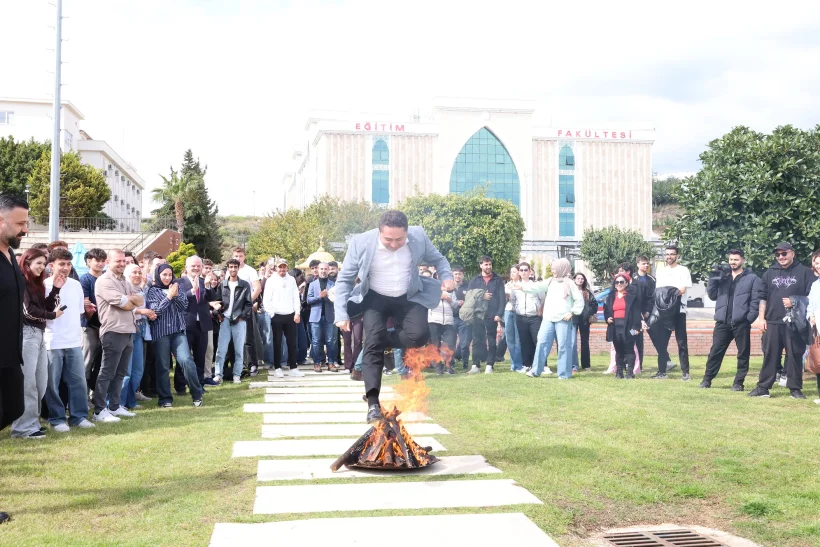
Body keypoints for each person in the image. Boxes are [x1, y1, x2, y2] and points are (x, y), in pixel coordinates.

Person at [334, 210, 454, 423]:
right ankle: (372, 404)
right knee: (372, 345)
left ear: (407, 233)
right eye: (388, 239)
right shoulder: (360, 243)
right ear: (379, 232)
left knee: (418, 336)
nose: (393, 244)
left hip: (408, 296)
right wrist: (341, 313)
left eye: (399, 239)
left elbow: (439, 259)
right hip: (375, 297)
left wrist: (446, 277)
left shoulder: (419, 236)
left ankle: (379, 338)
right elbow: (344, 280)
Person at [749, 242, 816, 399]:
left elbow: (812, 297)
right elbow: (762, 297)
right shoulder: (769, 273)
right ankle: (763, 387)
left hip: (795, 322)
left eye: (784, 254)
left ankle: (795, 389)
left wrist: (794, 301)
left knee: (795, 355)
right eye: (778, 254)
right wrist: (761, 318)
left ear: (793, 253)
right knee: (770, 355)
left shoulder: (805, 272)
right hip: (772, 321)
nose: (781, 257)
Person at [11, 249, 62, 439]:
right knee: (28, 384)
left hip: (39, 335)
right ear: (27, 263)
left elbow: (46, 307)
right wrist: (52, 316)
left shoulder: (36, 284)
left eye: (43, 263)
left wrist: (56, 289)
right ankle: (23, 428)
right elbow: (28, 312)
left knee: (41, 383)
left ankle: (31, 422)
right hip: (26, 335)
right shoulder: (21, 281)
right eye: (38, 263)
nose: (42, 267)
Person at [43, 248, 95, 432]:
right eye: (61, 264)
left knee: (78, 382)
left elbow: (80, 311)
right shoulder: (45, 285)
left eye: (68, 264)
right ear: (51, 266)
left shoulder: (75, 285)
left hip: (74, 341)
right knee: (52, 384)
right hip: (52, 341)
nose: (65, 268)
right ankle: (56, 419)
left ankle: (78, 417)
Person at [0, 194, 28, 523]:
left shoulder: (11, 255)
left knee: (15, 408)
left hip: (10, 355)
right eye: (20, 223)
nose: (25, 228)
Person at [699, 249, 763, 390]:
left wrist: (749, 319)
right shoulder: (723, 276)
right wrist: (713, 276)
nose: (732, 262)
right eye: (731, 260)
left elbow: (755, 301)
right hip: (722, 322)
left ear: (742, 260)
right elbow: (712, 295)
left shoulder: (752, 278)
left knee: (743, 354)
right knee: (715, 352)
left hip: (741, 322)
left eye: (736, 259)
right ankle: (707, 380)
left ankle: (738, 383)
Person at [92, 249, 143, 422]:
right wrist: (130, 299)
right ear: (108, 262)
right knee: (107, 372)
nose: (122, 264)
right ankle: (99, 410)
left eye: (124, 261)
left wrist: (130, 299)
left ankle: (114, 406)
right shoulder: (104, 281)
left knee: (121, 372)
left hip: (128, 330)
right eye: (118, 261)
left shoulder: (124, 280)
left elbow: (140, 300)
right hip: (113, 331)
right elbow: (126, 305)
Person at [145, 264, 204, 407]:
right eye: (164, 274)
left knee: (186, 361)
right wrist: (169, 297)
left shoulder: (177, 287)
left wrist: (175, 295)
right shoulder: (152, 291)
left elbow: (183, 306)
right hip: (161, 333)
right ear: (158, 275)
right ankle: (165, 399)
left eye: (170, 275)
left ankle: (197, 394)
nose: (167, 277)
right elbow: (156, 312)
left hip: (178, 332)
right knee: (163, 367)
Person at [522, 258, 583, 379]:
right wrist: (522, 287)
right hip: (548, 319)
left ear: (562, 268)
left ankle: (564, 373)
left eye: (555, 268)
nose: (553, 270)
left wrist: (572, 312)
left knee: (564, 346)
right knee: (542, 343)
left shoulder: (570, 283)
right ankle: (535, 371)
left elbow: (579, 300)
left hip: (563, 320)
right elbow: (536, 288)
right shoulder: (550, 281)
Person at [649, 245, 694, 380]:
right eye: (667, 254)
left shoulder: (683, 270)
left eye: (672, 254)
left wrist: (670, 294)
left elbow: (682, 290)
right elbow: (659, 292)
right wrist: (670, 294)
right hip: (664, 311)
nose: (669, 256)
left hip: (679, 310)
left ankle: (685, 373)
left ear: (677, 256)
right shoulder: (661, 271)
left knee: (682, 342)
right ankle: (662, 372)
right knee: (662, 343)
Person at [177, 256, 218, 388]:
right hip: (187, 324)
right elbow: (180, 298)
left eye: (198, 266)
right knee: (184, 357)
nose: (195, 268)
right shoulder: (179, 282)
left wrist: (207, 286)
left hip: (203, 325)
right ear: (187, 267)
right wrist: (192, 291)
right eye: (193, 266)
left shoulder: (203, 281)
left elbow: (212, 298)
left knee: (200, 356)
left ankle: (199, 384)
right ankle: (181, 384)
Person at [120, 265, 155, 409]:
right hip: (128, 329)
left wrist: (149, 313)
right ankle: (119, 403)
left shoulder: (141, 289)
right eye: (134, 272)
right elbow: (124, 307)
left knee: (137, 370)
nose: (137, 275)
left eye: (139, 272)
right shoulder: (124, 289)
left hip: (140, 329)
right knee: (125, 371)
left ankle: (131, 400)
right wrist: (143, 310)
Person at [263, 258, 305, 378]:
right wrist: (272, 314)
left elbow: (295, 297)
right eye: (280, 267)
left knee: (292, 343)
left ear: (287, 267)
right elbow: (267, 299)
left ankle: (293, 367)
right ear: (276, 268)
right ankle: (277, 367)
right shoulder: (271, 280)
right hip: (276, 315)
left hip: (290, 315)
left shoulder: (291, 279)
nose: (282, 269)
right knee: (277, 342)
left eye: (284, 267)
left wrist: (297, 313)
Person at [214, 259, 253, 384]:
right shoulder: (222, 284)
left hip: (239, 321)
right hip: (225, 320)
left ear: (238, 268)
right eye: (231, 267)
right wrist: (219, 315)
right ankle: (218, 374)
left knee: (239, 350)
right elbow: (217, 302)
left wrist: (241, 317)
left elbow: (248, 304)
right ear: (227, 268)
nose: (233, 269)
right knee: (221, 349)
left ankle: (237, 374)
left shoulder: (244, 284)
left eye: (235, 267)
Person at [604, 273, 649, 379]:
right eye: (617, 282)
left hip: (629, 327)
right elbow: (607, 311)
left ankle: (630, 373)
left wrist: (636, 327)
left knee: (629, 349)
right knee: (618, 350)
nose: (619, 284)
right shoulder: (611, 296)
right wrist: (608, 318)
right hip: (615, 327)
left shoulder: (632, 296)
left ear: (627, 283)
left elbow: (636, 313)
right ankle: (619, 372)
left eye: (621, 282)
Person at [466, 256, 506, 374]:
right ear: (481, 265)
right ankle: (475, 365)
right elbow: (468, 297)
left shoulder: (497, 280)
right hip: (478, 315)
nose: (488, 267)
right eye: (486, 264)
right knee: (477, 341)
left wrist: (499, 313)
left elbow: (502, 299)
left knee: (492, 341)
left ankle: (490, 365)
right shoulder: (475, 280)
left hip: (492, 315)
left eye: (490, 264)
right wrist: (482, 296)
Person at [80, 248, 107, 393]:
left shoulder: (107, 278)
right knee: (87, 362)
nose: (100, 264)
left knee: (101, 363)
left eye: (103, 261)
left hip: (106, 326)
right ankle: (82, 397)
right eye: (97, 260)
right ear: (89, 261)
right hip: (89, 326)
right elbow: (85, 304)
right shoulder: (85, 279)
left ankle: (95, 394)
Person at [232, 247, 263, 375]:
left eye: (240, 256)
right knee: (233, 338)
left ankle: (253, 364)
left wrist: (247, 302)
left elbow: (257, 288)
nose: (238, 258)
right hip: (232, 308)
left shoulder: (250, 271)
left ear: (244, 256)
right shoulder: (230, 270)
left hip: (245, 308)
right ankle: (238, 364)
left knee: (248, 337)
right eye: (236, 256)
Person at [510, 262, 542, 374]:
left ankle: (541, 365)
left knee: (537, 341)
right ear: (519, 272)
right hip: (521, 317)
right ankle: (526, 364)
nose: (523, 272)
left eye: (525, 270)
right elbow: (512, 301)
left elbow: (541, 299)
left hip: (534, 317)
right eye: (521, 270)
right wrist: (517, 309)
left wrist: (538, 309)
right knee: (524, 342)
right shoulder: (515, 286)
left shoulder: (535, 285)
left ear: (530, 271)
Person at [307, 262, 339, 372]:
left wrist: (327, 297)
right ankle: (317, 362)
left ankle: (331, 362)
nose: (323, 271)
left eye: (326, 269)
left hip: (330, 316)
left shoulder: (333, 284)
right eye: (321, 269)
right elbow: (308, 300)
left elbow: (336, 300)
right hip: (316, 317)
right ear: (318, 270)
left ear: (328, 270)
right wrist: (319, 297)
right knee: (316, 341)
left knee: (331, 341)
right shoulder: (312, 284)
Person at [428, 278, 457, 375]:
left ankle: (449, 366)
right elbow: (428, 302)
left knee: (450, 344)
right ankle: (438, 367)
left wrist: (447, 298)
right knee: (435, 345)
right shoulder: (431, 290)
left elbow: (455, 305)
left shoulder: (451, 291)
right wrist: (438, 297)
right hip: (434, 321)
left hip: (448, 321)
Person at [633, 256, 656, 366]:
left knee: (654, 337)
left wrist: (647, 311)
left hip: (649, 314)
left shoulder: (652, 279)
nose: (646, 266)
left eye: (647, 263)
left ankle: (665, 360)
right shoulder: (632, 278)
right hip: (636, 314)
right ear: (638, 264)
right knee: (634, 337)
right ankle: (632, 363)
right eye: (643, 263)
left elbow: (652, 297)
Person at [572, 272, 597, 372]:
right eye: (578, 278)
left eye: (582, 278)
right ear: (574, 280)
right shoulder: (570, 291)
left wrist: (588, 313)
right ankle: (573, 365)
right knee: (572, 342)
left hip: (584, 320)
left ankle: (586, 365)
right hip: (573, 319)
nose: (580, 280)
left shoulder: (587, 292)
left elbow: (594, 305)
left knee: (585, 342)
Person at [502, 265, 524, 371]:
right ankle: (513, 364)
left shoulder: (522, 285)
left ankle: (519, 364)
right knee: (509, 338)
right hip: (508, 310)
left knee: (518, 339)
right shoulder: (507, 285)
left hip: (518, 312)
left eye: (514, 272)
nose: (512, 274)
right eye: (511, 272)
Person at [451, 266, 471, 369]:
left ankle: (465, 363)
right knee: (451, 343)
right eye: (456, 274)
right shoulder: (449, 287)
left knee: (464, 343)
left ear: (463, 275)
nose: (458, 276)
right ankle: (451, 363)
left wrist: (465, 303)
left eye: (459, 274)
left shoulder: (467, 287)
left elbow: (472, 300)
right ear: (452, 275)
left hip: (464, 319)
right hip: (451, 318)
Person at [807, 254, 820, 405]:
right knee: (818, 361)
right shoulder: (815, 284)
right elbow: (809, 306)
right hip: (818, 329)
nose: (819, 266)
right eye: (817, 263)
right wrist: (810, 316)